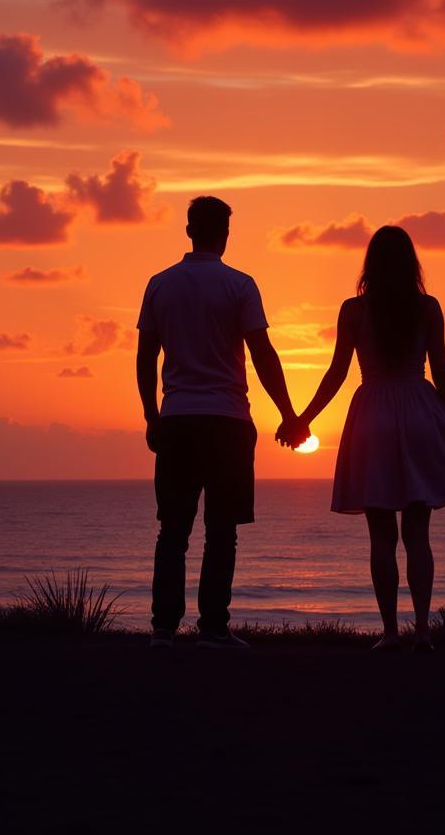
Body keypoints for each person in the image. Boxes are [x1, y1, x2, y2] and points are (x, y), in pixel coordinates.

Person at [286, 225, 445, 651]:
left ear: (370, 264)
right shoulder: (427, 308)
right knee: (418, 534)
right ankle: (422, 631)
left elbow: (336, 373)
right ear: (411, 263)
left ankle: (390, 633)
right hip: (419, 410)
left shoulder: (353, 310)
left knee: (381, 536)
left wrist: (303, 419)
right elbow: (441, 371)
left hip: (372, 416)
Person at [137, 196, 309, 650]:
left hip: (177, 420)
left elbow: (145, 358)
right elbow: (263, 356)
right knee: (222, 530)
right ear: (225, 235)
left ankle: (162, 629)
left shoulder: (159, 285)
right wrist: (289, 414)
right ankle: (213, 627)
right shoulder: (240, 285)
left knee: (172, 530)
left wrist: (151, 417)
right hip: (228, 421)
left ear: (189, 230)